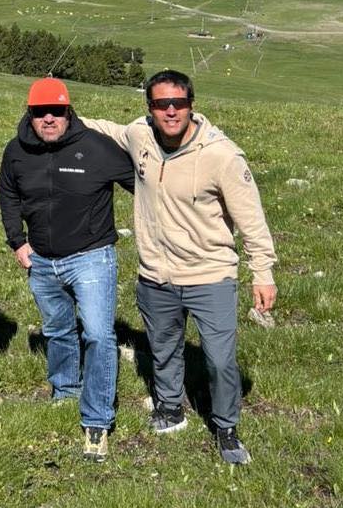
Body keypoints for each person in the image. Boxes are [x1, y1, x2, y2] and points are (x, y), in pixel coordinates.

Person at [84, 69, 277, 465]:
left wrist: (264, 272)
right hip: (156, 273)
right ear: (149, 108)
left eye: (178, 103)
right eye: (160, 104)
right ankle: (170, 407)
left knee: (220, 359)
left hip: (211, 274)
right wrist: (53, 111)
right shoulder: (140, 135)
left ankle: (226, 426)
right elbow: (106, 128)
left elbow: (251, 220)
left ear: (191, 105)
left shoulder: (222, 155)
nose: (170, 111)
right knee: (163, 347)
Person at [0, 77, 135, 461]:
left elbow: (141, 188)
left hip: (91, 256)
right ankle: (64, 390)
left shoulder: (95, 147)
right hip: (41, 258)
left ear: (68, 111)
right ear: (30, 114)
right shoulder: (16, 152)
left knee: (97, 335)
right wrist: (16, 241)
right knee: (58, 329)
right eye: (40, 112)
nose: (49, 119)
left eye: (56, 111)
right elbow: (7, 193)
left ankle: (96, 420)